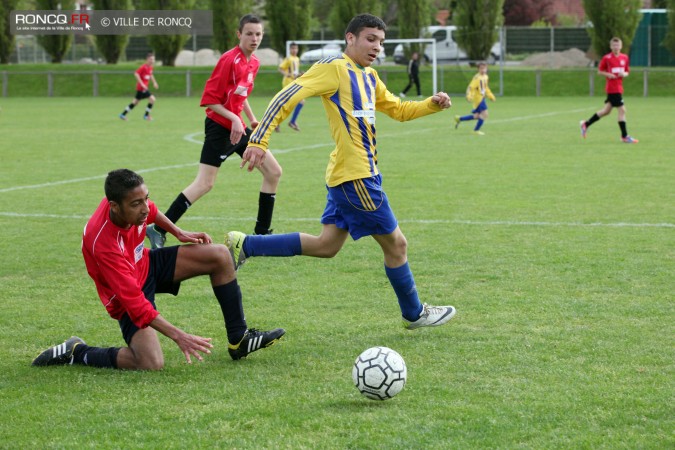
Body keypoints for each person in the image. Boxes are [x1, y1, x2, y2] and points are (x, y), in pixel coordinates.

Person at [226, 13, 457, 331]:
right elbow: (287, 95)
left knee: (326, 246)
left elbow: (399, 110)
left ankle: (246, 244)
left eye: (381, 42)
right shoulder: (334, 67)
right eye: (370, 39)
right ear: (351, 38)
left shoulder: (370, 77)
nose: (377, 47)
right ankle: (414, 313)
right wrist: (260, 140)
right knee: (396, 245)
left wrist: (430, 104)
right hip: (356, 178)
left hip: (351, 176)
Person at [31, 169, 284, 370]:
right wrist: (179, 336)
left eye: (146, 198)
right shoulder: (104, 245)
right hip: (127, 294)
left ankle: (239, 339)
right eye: (136, 204)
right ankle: (78, 352)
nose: (144, 208)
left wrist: (178, 231)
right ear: (114, 206)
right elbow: (136, 303)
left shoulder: (131, 204)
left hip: (146, 264)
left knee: (219, 255)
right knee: (150, 363)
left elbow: (151, 211)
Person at [146, 14, 282, 249]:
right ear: (239, 34)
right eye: (249, 33)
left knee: (273, 172)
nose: (254, 38)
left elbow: (241, 95)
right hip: (220, 129)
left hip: (237, 128)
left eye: (258, 34)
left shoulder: (254, 63)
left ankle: (261, 237)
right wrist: (233, 119)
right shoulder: (229, 60)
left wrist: (251, 119)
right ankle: (158, 228)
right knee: (204, 183)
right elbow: (209, 100)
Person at [580, 37, 638, 143]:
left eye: (618, 45)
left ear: (621, 46)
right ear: (611, 46)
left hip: (619, 87)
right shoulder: (607, 58)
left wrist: (624, 74)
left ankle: (586, 124)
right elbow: (599, 71)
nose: (616, 47)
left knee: (606, 111)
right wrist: (608, 74)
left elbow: (627, 71)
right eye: (614, 45)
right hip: (612, 88)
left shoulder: (624, 57)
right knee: (622, 110)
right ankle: (624, 136)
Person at [454, 61, 495, 135]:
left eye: (484, 68)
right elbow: (471, 88)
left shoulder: (486, 77)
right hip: (478, 99)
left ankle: (459, 119)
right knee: (485, 114)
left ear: (486, 68)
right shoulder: (477, 78)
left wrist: (490, 95)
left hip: (482, 98)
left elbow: (485, 88)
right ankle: (476, 130)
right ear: (478, 69)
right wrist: (469, 96)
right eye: (481, 68)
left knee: (477, 116)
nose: (483, 70)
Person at [119, 52, 158, 121]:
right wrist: (142, 83)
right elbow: (136, 73)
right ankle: (146, 116)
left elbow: (151, 75)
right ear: (147, 59)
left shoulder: (150, 68)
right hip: (142, 88)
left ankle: (123, 114)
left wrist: (154, 82)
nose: (152, 61)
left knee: (135, 102)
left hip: (143, 88)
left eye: (153, 59)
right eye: (151, 59)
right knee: (152, 99)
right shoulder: (143, 67)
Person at [277, 42, 305, 131]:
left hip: (293, 82)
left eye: (296, 48)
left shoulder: (297, 59)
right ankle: (291, 122)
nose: (294, 50)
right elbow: (280, 68)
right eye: (293, 48)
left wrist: (300, 74)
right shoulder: (288, 59)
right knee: (300, 102)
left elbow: (295, 73)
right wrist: (287, 74)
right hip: (288, 83)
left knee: (290, 104)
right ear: (290, 50)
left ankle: (279, 123)